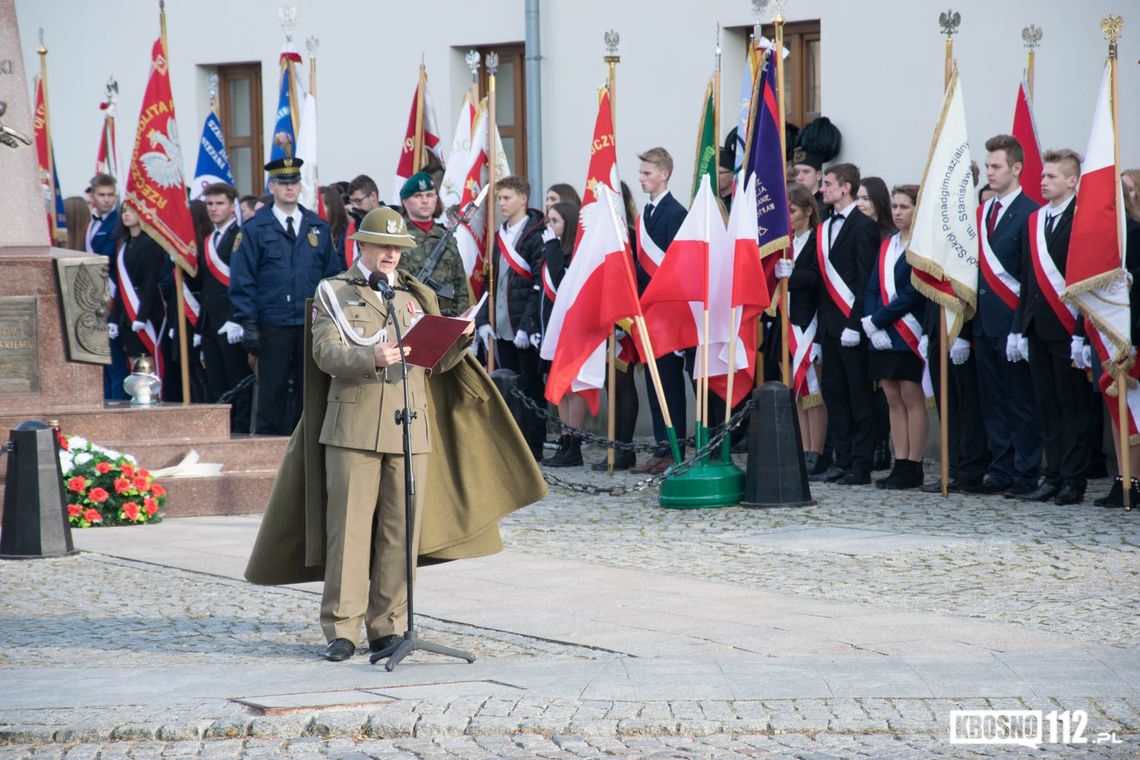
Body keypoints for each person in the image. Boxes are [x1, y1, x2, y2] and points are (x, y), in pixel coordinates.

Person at [245, 205, 547, 662]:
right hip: (354, 428)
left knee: (399, 533)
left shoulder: (413, 296)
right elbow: (325, 353)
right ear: (361, 245)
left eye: (398, 248)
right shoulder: (335, 292)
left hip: (411, 425)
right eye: (384, 246)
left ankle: (387, 626)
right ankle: (342, 629)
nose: (392, 254)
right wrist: (371, 358)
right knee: (347, 532)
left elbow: (435, 363)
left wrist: (458, 336)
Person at [229, 156, 341, 435]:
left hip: (311, 323)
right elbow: (243, 279)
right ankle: (271, 449)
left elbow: (332, 276)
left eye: (294, 182)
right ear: (272, 186)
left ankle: (308, 447)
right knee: (272, 391)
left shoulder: (317, 227)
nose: (290, 188)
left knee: (310, 391)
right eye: (283, 183)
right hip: (273, 323)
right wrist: (248, 322)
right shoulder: (255, 229)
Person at [1008, 149, 1089, 505]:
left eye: (1052, 176)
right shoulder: (1035, 221)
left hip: (1069, 328)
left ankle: (1074, 480)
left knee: (1072, 406)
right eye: (1042, 175)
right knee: (1046, 404)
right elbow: (1028, 280)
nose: (1043, 181)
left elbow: (1087, 280)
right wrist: (1018, 329)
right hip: (1038, 328)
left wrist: (1082, 334)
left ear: (1072, 181)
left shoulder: (1083, 218)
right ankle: (1052, 474)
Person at [969, 134, 1041, 496]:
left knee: (1020, 402)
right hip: (984, 323)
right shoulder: (982, 213)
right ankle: (1000, 470)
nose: (990, 172)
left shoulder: (1031, 213)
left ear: (1016, 168)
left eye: (996, 166)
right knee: (992, 401)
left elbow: (1031, 278)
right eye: (987, 166)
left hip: (1014, 325)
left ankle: (1025, 472)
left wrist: (1020, 328)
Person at [813, 162, 881, 485]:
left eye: (827, 183)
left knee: (859, 396)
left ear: (845, 188)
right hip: (829, 326)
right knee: (834, 394)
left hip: (853, 328)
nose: (822, 189)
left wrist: (856, 324)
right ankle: (841, 459)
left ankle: (861, 463)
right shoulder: (824, 226)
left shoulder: (864, 226)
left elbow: (865, 279)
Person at [475, 175, 548, 460]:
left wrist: (528, 325)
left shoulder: (537, 234)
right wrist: (482, 320)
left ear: (523, 199)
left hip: (524, 327)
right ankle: (513, 446)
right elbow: (489, 282)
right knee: (508, 385)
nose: (501, 204)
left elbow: (537, 284)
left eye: (506, 198)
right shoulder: (499, 235)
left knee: (530, 386)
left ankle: (534, 446)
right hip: (502, 325)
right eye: (499, 198)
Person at [860, 185, 928, 489]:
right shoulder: (887, 244)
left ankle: (914, 464)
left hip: (908, 330)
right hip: (884, 333)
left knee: (912, 396)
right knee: (891, 396)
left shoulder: (922, 245)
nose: (898, 212)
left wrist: (879, 319)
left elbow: (914, 292)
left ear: (917, 209)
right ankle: (900, 462)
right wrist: (873, 324)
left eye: (905, 207)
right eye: (896, 206)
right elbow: (873, 285)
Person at [630, 147, 689, 474]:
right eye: (640, 173)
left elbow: (677, 268)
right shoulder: (646, 214)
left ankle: (673, 448)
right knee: (654, 382)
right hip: (647, 312)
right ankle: (660, 446)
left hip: (667, 311)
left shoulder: (675, 213)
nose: (642, 179)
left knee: (668, 382)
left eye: (647, 174)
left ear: (664, 174)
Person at [774, 185, 826, 473]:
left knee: (813, 392)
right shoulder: (785, 243)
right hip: (787, 322)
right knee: (796, 390)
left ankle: (815, 452)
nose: (788, 217)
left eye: (792, 211)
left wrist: (796, 273)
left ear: (808, 211)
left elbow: (821, 278)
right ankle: (802, 448)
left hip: (810, 322)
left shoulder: (818, 240)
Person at [198, 182, 252, 434]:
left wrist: (237, 318)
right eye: (209, 204)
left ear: (232, 207)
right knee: (216, 382)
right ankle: (221, 431)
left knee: (237, 382)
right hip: (210, 321)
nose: (213, 209)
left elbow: (244, 281)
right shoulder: (209, 239)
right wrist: (200, 326)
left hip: (232, 323)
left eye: (219, 203)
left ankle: (239, 430)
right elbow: (206, 287)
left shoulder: (240, 236)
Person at [539, 201, 588, 467]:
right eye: (549, 221)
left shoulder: (570, 252)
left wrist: (552, 248)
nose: (550, 226)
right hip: (557, 327)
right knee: (563, 389)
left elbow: (561, 280)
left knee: (575, 388)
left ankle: (575, 446)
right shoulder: (554, 248)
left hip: (576, 327)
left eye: (555, 221)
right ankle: (565, 440)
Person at [855, 175, 897, 471]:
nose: (860, 204)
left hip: (890, 321)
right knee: (867, 388)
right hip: (866, 318)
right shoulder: (857, 232)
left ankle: (883, 444)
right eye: (857, 198)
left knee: (885, 389)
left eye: (866, 199)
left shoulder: (887, 235)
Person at [397, 171, 472, 317]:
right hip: (407, 317)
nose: (425, 201)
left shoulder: (447, 237)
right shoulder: (396, 236)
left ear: (436, 198)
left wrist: (458, 322)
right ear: (405, 202)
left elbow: (460, 287)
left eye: (429, 195)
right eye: (418, 196)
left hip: (445, 317)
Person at [109, 202, 167, 374]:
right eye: (124, 211)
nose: (126, 215)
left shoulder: (150, 243)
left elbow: (150, 282)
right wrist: (113, 318)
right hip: (127, 312)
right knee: (134, 360)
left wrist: (142, 316)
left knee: (147, 361)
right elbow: (121, 285)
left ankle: (151, 396)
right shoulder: (125, 243)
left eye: (132, 211)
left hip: (145, 310)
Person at [86, 173, 128, 399]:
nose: (107, 200)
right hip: (93, 296)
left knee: (115, 361)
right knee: (102, 362)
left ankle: (117, 404)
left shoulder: (118, 222)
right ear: (93, 196)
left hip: (112, 295)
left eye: (111, 195)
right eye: (102, 195)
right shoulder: (93, 222)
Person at [856, 177, 895, 241]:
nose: (858, 203)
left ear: (879, 200)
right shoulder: (850, 229)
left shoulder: (892, 235)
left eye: (866, 198)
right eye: (856, 198)